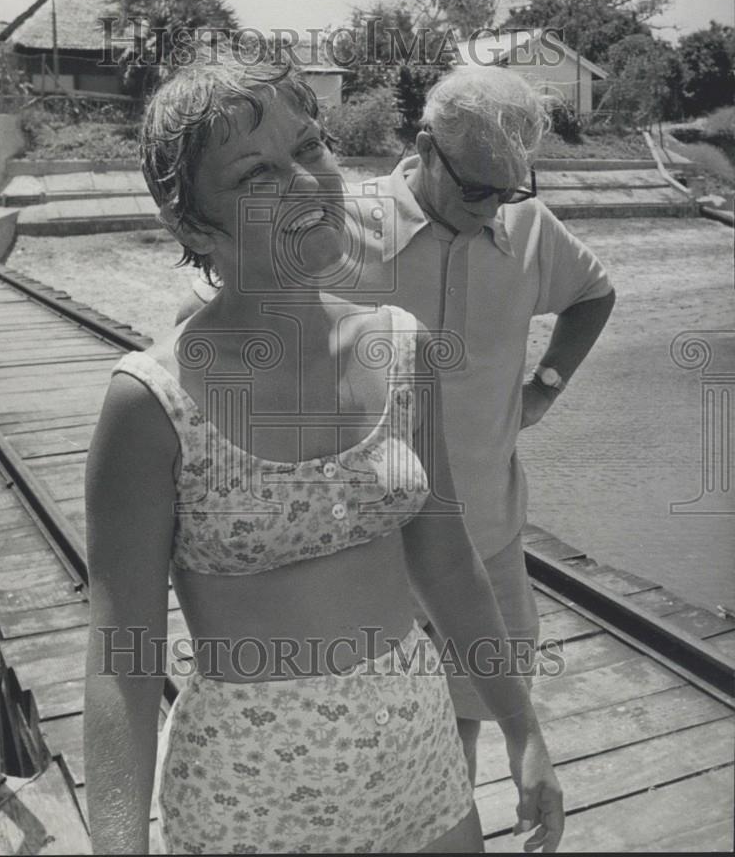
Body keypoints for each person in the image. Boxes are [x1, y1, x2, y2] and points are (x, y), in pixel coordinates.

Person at [83, 50, 564, 855]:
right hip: (252, 799)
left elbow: (446, 563)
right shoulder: (152, 405)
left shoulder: (398, 351)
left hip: (421, 768)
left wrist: (522, 730)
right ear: (194, 222)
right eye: (255, 175)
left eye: (309, 148)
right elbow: (122, 657)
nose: (306, 183)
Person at [344, 65, 616, 788]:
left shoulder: (524, 222)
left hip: (486, 537)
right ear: (427, 148)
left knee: (458, 729)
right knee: (362, 749)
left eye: (510, 188)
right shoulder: (343, 225)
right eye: (477, 190)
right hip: (366, 550)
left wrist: (544, 388)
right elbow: (217, 316)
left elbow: (594, 292)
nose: (494, 207)